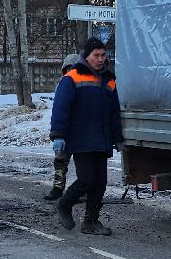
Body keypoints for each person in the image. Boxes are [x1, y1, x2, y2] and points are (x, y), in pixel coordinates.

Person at [50, 37, 122, 235]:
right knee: (87, 179)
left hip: (102, 138)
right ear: (86, 56)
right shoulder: (72, 77)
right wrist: (58, 134)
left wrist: (118, 137)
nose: (100, 59)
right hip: (81, 139)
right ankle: (64, 204)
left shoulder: (109, 79)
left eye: (103, 55)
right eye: (96, 55)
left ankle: (91, 222)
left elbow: (114, 112)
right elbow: (61, 108)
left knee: (100, 184)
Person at [44, 53, 80, 201]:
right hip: (65, 130)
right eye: (68, 68)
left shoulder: (81, 83)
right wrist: (58, 133)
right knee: (60, 162)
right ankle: (58, 188)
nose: (71, 71)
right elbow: (59, 109)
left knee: (82, 164)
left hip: (78, 130)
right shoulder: (64, 84)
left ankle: (80, 189)